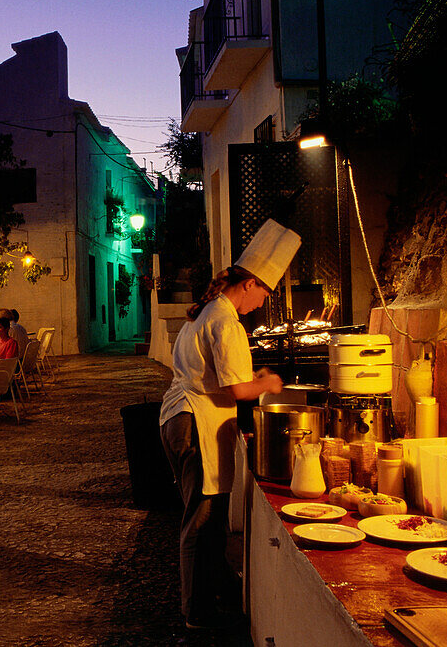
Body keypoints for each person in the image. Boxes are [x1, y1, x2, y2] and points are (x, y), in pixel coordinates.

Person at [159, 219, 301, 631]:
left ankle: (216, 588)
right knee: (200, 519)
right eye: (265, 293)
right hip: (195, 422)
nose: (263, 302)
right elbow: (238, 389)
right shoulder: (225, 321)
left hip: (180, 416)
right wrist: (268, 382)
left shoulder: (205, 312)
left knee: (210, 515)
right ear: (250, 283)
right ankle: (195, 611)